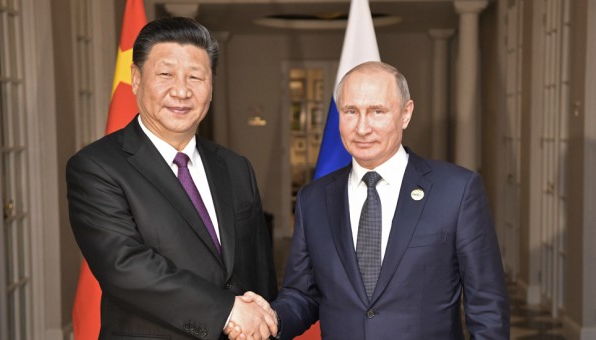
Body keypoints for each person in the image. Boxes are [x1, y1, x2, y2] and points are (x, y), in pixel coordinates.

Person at [229, 61, 509, 339]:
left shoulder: (457, 190)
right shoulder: (313, 199)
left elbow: (487, 308)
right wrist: (272, 318)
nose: (362, 128)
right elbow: (303, 294)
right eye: (351, 111)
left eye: (377, 111)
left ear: (405, 114)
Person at [67, 17, 278, 340]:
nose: (181, 91)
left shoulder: (236, 167)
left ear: (211, 85)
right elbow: (125, 267)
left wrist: (263, 323)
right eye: (165, 74)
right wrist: (227, 311)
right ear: (136, 79)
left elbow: (259, 268)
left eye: (196, 76)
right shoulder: (96, 167)